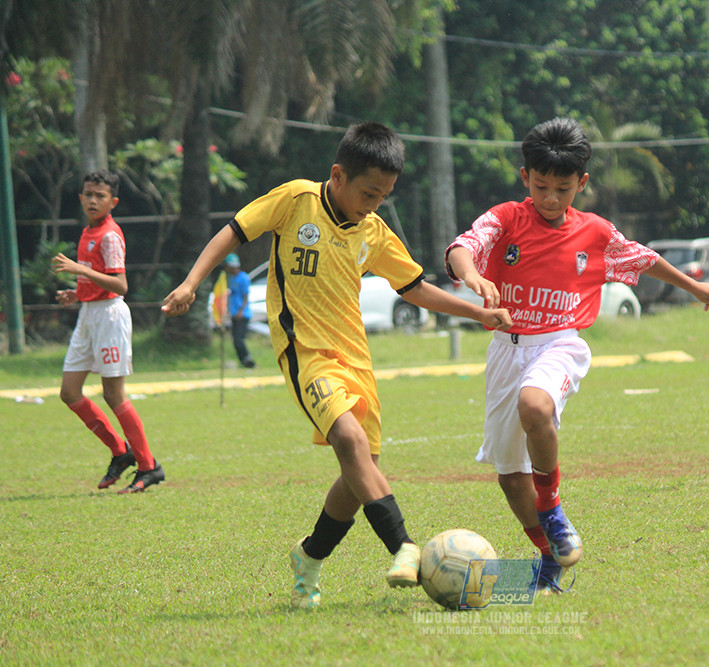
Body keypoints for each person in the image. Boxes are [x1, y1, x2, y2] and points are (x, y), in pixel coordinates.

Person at [161, 122, 513, 609]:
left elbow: (414, 288)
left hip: (356, 359)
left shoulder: (374, 231)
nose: (374, 204)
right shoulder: (296, 200)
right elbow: (234, 232)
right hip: (305, 352)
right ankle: (404, 545)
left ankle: (309, 557)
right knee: (349, 442)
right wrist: (190, 283)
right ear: (338, 176)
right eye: (369, 193)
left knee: (359, 471)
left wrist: (478, 314)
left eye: (384, 196)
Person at [445, 117, 709, 593]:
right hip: (505, 351)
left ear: (581, 183)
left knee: (535, 405)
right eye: (541, 186)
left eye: (562, 189)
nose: (551, 198)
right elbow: (463, 247)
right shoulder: (506, 219)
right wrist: (472, 275)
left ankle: (553, 507)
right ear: (525, 178)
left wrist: (695, 286)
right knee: (510, 478)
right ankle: (549, 557)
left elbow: (643, 258)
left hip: (560, 343)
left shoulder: (595, 232)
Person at [53, 169, 166, 494]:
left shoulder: (109, 235)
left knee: (114, 394)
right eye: (88, 195)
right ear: (81, 198)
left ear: (112, 202)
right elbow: (97, 277)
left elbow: (120, 284)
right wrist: (77, 292)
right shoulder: (87, 232)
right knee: (69, 392)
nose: (93, 200)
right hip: (89, 314)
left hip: (110, 317)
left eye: (100, 196)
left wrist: (79, 270)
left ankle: (149, 467)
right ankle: (120, 451)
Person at [223, 253, 256, 368]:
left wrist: (241, 311)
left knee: (238, 339)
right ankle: (244, 362)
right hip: (234, 313)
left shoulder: (243, 278)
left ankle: (248, 360)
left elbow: (246, 295)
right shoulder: (230, 278)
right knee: (235, 339)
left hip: (242, 314)